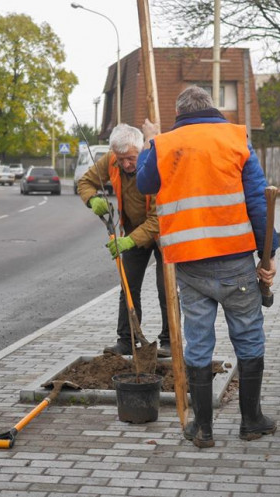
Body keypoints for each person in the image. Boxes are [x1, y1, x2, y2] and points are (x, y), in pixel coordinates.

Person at [137, 85, 279, 448]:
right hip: (235, 263)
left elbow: (144, 182)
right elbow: (258, 201)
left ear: (179, 114)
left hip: (190, 267)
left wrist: (151, 141)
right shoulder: (236, 138)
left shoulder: (165, 145)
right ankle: (251, 421)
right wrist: (269, 252)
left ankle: (203, 428)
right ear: (212, 108)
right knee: (248, 337)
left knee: (198, 343)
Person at [77, 124, 170, 357]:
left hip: (162, 234)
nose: (126, 164)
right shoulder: (111, 160)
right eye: (121, 159)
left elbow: (158, 218)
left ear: (140, 150)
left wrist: (129, 241)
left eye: (130, 158)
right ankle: (127, 340)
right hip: (131, 229)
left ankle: (169, 341)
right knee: (128, 285)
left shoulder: (157, 164)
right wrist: (92, 200)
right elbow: (85, 182)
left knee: (165, 287)